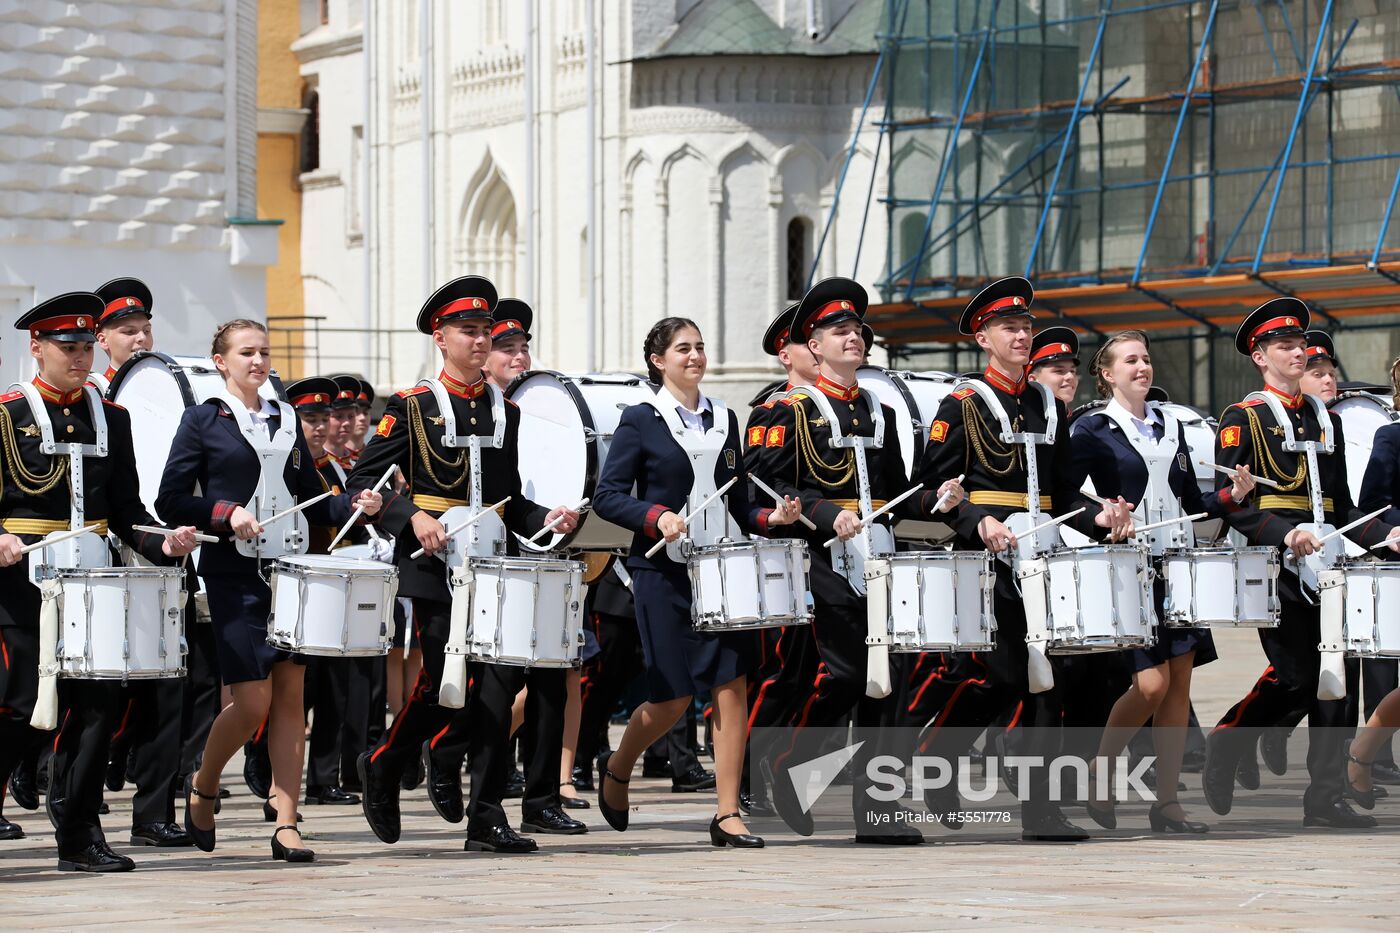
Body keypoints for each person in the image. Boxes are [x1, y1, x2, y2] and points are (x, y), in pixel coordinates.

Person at [350, 276, 581, 854]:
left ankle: (486, 818)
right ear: (441, 336)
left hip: (494, 568)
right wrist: (409, 517)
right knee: (440, 688)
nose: (480, 341)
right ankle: (385, 761)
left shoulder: (506, 410)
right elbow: (364, 482)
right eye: (468, 331)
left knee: (495, 693)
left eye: (486, 332)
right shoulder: (410, 406)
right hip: (435, 568)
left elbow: (507, 499)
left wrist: (546, 518)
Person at [913, 276, 1133, 842]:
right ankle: (938, 754)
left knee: (1048, 681)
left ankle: (1042, 809)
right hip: (989, 559)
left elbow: (1059, 492)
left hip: (1044, 557)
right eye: (1010, 328)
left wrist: (1098, 516)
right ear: (984, 338)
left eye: (1026, 326)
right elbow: (933, 485)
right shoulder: (960, 402)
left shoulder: (1042, 401)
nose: (1021, 335)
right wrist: (974, 520)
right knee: (1003, 677)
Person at [157, 319, 383, 863]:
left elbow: (308, 495)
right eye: (246, 352)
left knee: (291, 698)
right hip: (235, 573)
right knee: (252, 701)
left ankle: (286, 822)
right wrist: (224, 512)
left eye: (263, 351)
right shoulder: (202, 420)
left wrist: (352, 504)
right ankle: (204, 784)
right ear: (221, 361)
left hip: (294, 571)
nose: (257, 361)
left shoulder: (286, 419)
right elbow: (171, 500)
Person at [758, 278, 966, 845]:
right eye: (839, 331)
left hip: (882, 559)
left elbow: (901, 491)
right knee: (846, 675)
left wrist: (937, 500)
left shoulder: (879, 408)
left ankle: (881, 812)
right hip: (822, 560)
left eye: (859, 331)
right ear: (814, 344)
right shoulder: (788, 409)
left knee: (890, 684)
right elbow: (762, 485)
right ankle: (786, 766)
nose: (854, 338)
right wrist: (825, 515)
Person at [0, 293, 199, 871]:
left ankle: (80, 834)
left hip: (95, 585)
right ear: (36, 348)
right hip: (23, 584)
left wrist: (163, 543)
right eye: (69, 347)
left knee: (96, 709)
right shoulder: (7, 415)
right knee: (16, 704)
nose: (81, 358)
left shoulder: (113, 417)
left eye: (88, 347)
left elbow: (126, 510)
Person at [592, 316, 802, 848]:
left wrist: (769, 520)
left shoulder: (726, 419)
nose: (695, 356)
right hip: (661, 569)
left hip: (722, 569)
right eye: (683, 348)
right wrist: (655, 515)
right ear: (658, 361)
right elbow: (608, 495)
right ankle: (618, 767)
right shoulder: (641, 418)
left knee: (732, 686)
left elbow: (739, 503)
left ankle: (727, 813)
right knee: (672, 698)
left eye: (700, 347)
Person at [1201, 299, 1400, 828]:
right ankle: (1229, 740)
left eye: (1301, 344)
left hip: (1329, 563)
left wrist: (1385, 533)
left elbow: (1344, 505)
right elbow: (1231, 502)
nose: (1299, 352)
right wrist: (1286, 532)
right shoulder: (1241, 418)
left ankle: (1325, 798)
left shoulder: (1321, 417)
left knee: (1338, 676)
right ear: (1260, 358)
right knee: (1296, 675)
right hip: (1273, 565)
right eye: (1286, 346)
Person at [1071, 331, 1254, 833]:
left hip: (1178, 563)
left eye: (1146, 359)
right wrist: (1102, 513)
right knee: (1150, 686)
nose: (1142, 367)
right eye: (1130, 360)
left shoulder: (1170, 424)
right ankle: (1100, 771)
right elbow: (1064, 496)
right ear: (1107, 373)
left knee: (1178, 690)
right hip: (1129, 567)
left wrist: (1230, 496)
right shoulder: (1092, 429)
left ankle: (1167, 803)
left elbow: (1191, 506)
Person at [80, 276, 196, 848]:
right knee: (94, 687)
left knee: (168, 686)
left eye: (146, 328)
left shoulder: (162, 390)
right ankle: (57, 783)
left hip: (157, 544)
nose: (140, 337)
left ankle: (154, 811)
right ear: (102, 339)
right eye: (127, 331)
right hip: (101, 557)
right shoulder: (89, 399)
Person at [739, 304, 821, 814]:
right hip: (788, 556)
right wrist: (782, 510)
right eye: (807, 341)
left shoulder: (857, 406)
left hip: (840, 553)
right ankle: (746, 767)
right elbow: (758, 481)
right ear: (786, 354)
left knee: (819, 675)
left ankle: (783, 763)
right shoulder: (776, 409)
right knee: (781, 674)